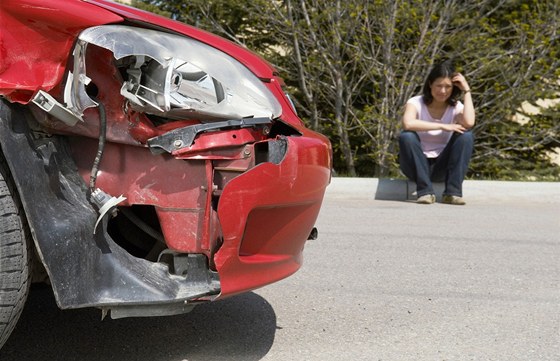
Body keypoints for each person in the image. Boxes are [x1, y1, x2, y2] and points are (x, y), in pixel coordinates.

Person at [399, 61, 475, 205]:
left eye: (448, 87)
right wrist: (443, 126)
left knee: (466, 135)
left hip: (441, 166)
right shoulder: (415, 102)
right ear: (430, 85)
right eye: (439, 86)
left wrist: (467, 91)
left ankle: (452, 193)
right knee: (407, 136)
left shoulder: (456, 107)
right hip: (415, 164)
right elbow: (408, 123)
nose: (443, 91)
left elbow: (469, 122)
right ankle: (425, 192)